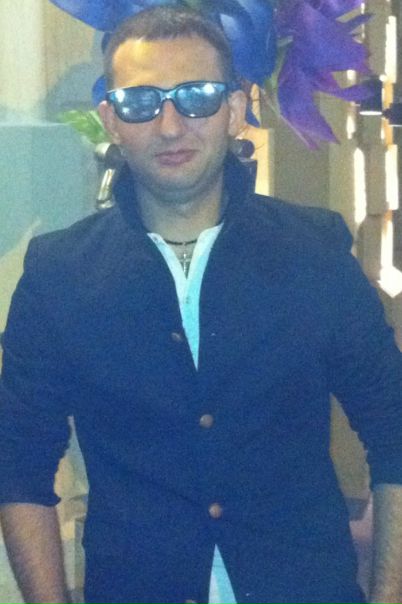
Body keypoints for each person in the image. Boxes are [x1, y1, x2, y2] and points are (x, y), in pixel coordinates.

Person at [1, 6, 402, 604]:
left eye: (196, 97)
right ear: (111, 119)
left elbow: (393, 428)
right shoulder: (58, 275)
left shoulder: (314, 252)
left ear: (235, 110)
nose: (169, 125)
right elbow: (20, 466)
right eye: (140, 102)